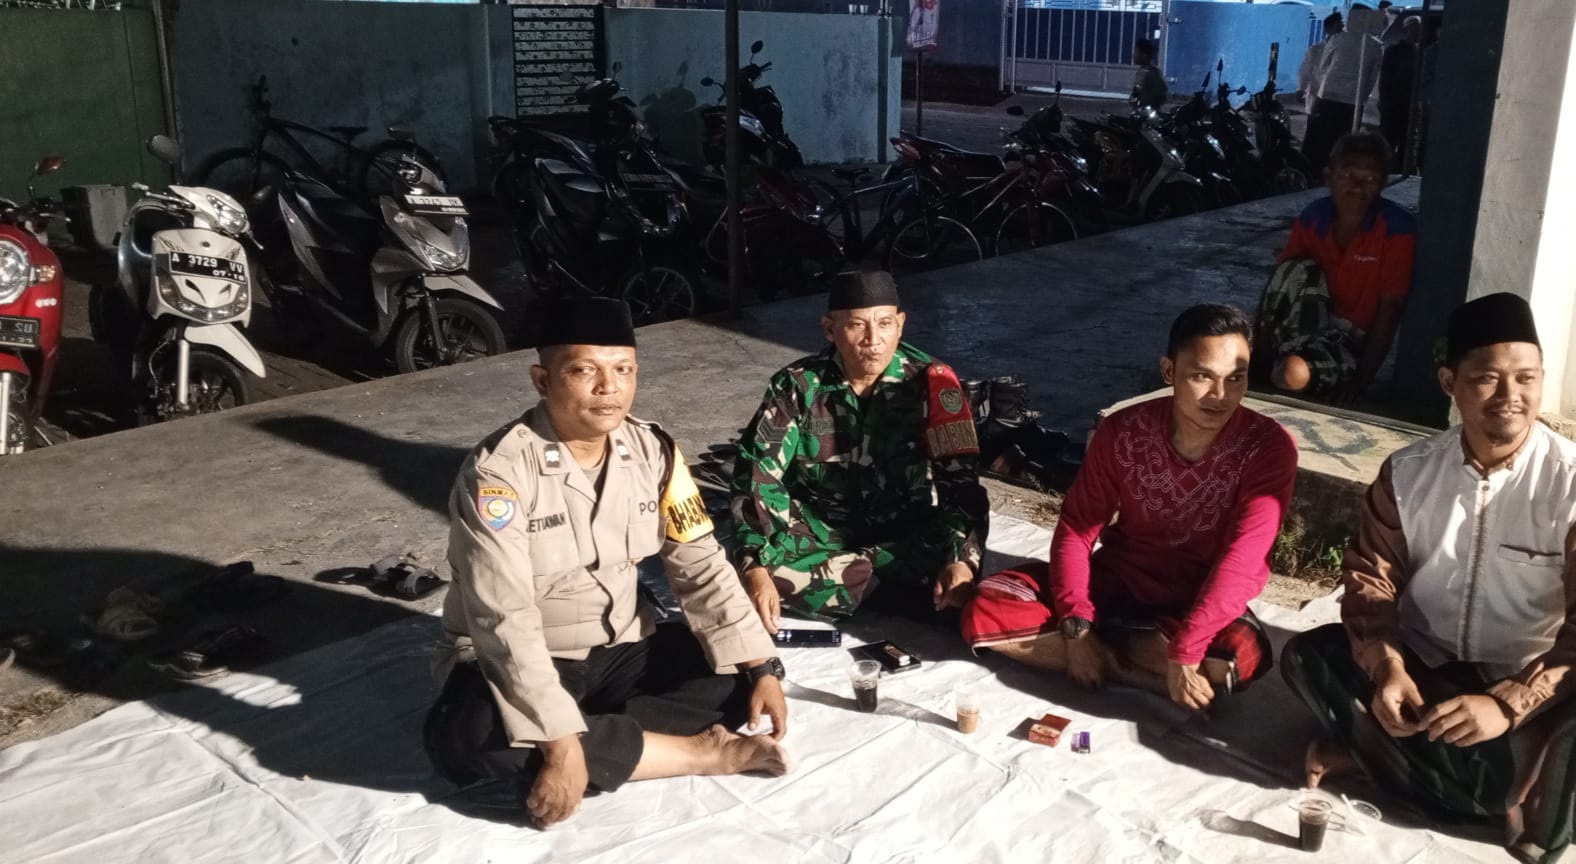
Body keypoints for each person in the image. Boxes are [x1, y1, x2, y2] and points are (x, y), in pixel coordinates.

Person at [425, 297, 790, 829]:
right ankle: (695, 752)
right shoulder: (498, 474)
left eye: (623, 370)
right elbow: (502, 617)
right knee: (469, 739)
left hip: (622, 645)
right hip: (530, 654)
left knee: (735, 680)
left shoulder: (654, 450)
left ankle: (593, 741)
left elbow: (701, 564)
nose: (608, 388)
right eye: (584, 371)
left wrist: (762, 667)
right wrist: (558, 741)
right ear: (542, 380)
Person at [1282, 292, 1576, 864]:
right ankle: (1487, 786)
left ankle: (1374, 759)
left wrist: (1508, 705)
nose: (1510, 396)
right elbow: (1370, 583)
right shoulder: (1408, 473)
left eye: (1526, 378)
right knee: (1305, 659)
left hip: (1526, 675)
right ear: (1449, 382)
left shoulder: (1569, 484)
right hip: (1425, 666)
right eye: (1487, 378)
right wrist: (1387, 667)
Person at [961, 304, 1298, 712]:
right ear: (1169, 371)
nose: (1220, 395)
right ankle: (1129, 669)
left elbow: (1243, 560)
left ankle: (1113, 653)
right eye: (1202, 376)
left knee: (1236, 659)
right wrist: (1076, 625)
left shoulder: (1267, 447)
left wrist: (1188, 649)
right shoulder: (1122, 432)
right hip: (1116, 584)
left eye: (1236, 378)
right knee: (986, 603)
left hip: (1194, 601)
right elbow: (1076, 529)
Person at [731, 270, 989, 631]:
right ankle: (897, 592)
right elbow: (757, 477)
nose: (873, 340)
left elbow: (962, 484)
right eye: (856, 325)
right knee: (766, 569)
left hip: (905, 530)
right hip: (819, 533)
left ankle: (861, 589)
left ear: (900, 325)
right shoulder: (796, 386)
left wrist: (961, 561)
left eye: (884, 324)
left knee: (953, 559)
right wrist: (754, 565)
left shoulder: (934, 382)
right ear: (829, 329)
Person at [1255, 131, 1415, 403]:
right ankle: (1263, 361)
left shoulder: (1396, 229)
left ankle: (1285, 366)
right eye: (1347, 176)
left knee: (1292, 374)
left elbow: (1391, 309)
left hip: (1346, 342)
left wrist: (1361, 382)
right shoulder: (1314, 217)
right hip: (1304, 324)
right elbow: (1281, 283)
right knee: (1293, 268)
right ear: (1329, 177)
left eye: (1370, 179)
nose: (1357, 187)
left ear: (1383, 184)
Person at [1302, 18, 1383, 172]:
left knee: (1319, 138)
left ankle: (1312, 170)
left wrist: (1317, 92)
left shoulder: (1338, 39)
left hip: (1329, 95)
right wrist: (1362, 97)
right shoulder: (1376, 45)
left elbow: (1323, 67)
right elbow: (1372, 77)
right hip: (1352, 100)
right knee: (1344, 139)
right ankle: (1338, 170)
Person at [1378, 17, 1422, 168]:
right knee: (1388, 140)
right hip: (1393, 104)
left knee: (1407, 142)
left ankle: (1401, 170)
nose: (1417, 32)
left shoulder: (1421, 52)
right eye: (1414, 29)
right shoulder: (1393, 51)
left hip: (1410, 105)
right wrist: (1384, 102)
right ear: (1405, 30)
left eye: (1419, 29)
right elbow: (1384, 78)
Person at [1298, 13, 1345, 117]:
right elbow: (1305, 71)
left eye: (1343, 27)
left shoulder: (1346, 51)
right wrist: (1301, 88)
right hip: (1317, 98)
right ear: (1328, 29)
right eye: (1339, 27)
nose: (1342, 31)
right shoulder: (1316, 50)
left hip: (1338, 100)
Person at [1131, 38, 1167, 111]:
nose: (1134, 55)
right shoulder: (1141, 71)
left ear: (1144, 55)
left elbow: (1161, 95)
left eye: (1136, 52)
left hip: (1148, 113)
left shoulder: (1152, 73)